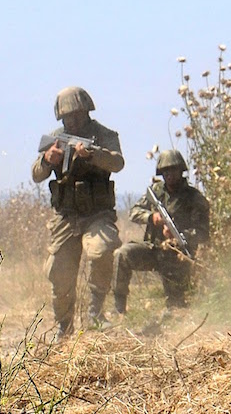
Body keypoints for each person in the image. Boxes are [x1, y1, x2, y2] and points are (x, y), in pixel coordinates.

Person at [32, 86, 124, 335]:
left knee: (101, 250)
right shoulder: (55, 138)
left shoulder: (104, 135)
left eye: (77, 114)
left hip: (97, 213)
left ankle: (95, 314)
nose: (72, 120)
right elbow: (36, 174)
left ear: (86, 112)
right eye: (67, 117)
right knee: (58, 272)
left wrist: (92, 154)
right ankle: (65, 327)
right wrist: (47, 160)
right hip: (67, 215)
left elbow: (118, 163)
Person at [112, 149, 211, 316]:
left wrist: (181, 236)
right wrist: (152, 217)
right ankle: (118, 309)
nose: (169, 174)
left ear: (181, 170)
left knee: (176, 309)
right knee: (123, 254)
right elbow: (134, 212)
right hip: (153, 250)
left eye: (173, 170)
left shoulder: (194, 197)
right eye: (165, 171)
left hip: (178, 256)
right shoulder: (156, 192)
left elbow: (204, 233)